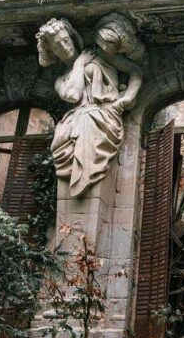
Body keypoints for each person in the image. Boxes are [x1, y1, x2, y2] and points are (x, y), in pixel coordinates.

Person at [37, 14, 144, 199]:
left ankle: (84, 179)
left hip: (103, 115)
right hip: (75, 121)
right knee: (72, 129)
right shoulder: (60, 80)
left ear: (72, 37)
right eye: (57, 45)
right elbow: (73, 95)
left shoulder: (99, 54)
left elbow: (136, 71)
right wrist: (79, 64)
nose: (64, 46)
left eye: (65, 40)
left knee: (86, 122)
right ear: (53, 52)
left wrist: (127, 97)